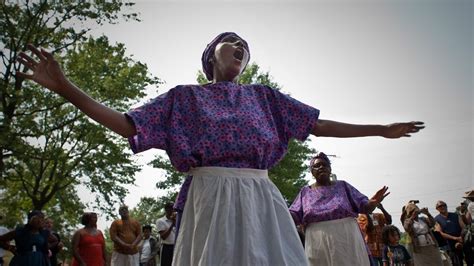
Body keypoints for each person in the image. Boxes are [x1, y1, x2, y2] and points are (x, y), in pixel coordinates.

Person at [17, 32, 424, 265]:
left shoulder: (265, 97)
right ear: (209, 55)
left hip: (262, 197)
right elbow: (127, 124)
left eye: (245, 47)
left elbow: (317, 124)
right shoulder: (183, 98)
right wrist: (68, 88)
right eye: (231, 42)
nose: (240, 48)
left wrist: (380, 129)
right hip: (209, 198)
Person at [289, 152, 390, 265]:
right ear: (312, 172)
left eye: (324, 164)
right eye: (316, 166)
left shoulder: (343, 186)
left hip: (346, 238)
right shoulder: (305, 192)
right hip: (317, 242)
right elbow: (293, 215)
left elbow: (364, 207)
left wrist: (372, 203)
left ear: (330, 169)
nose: (321, 167)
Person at [401, 201, 443, 265]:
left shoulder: (423, 219)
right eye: (413, 211)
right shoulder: (408, 221)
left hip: (431, 244)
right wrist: (412, 217)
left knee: (436, 262)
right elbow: (407, 228)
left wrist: (428, 214)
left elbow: (432, 224)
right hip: (419, 247)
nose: (416, 213)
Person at [435, 200, 465, 266]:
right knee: (456, 262)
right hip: (449, 244)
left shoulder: (455, 215)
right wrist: (455, 238)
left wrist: (460, 238)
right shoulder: (437, 219)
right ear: (437, 209)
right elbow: (440, 233)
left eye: (444, 205)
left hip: (461, 240)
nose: (442, 207)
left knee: (468, 260)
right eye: (440, 206)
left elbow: (463, 227)